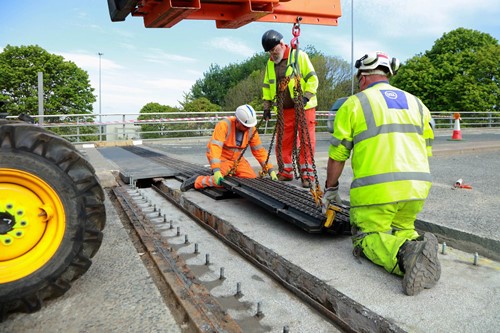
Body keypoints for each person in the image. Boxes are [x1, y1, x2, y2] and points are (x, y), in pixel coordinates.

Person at [323, 51, 440, 296]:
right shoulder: (418, 104)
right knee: (401, 227)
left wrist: (331, 190)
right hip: (417, 188)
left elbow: (338, 155)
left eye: (359, 79)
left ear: (364, 77)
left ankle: (407, 257)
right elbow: (426, 149)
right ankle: (419, 246)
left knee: (367, 236)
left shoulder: (355, 103)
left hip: (377, 191)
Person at [261, 29, 319, 188]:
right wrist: (267, 107)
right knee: (283, 141)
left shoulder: (299, 56)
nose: (272, 54)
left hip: (303, 106)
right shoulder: (270, 63)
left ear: (282, 44)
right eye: (270, 52)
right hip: (284, 109)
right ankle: (286, 171)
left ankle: (307, 173)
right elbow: (267, 86)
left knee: (306, 140)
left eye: (274, 50)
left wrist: (306, 96)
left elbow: (313, 79)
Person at [180, 104, 278, 192]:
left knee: (251, 178)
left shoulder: (251, 130)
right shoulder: (224, 125)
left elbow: (259, 151)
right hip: (222, 159)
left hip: (237, 160)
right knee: (220, 181)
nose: (248, 128)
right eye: (245, 126)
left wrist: (270, 170)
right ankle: (197, 181)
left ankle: (229, 176)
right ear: (237, 121)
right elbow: (215, 148)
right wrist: (217, 170)